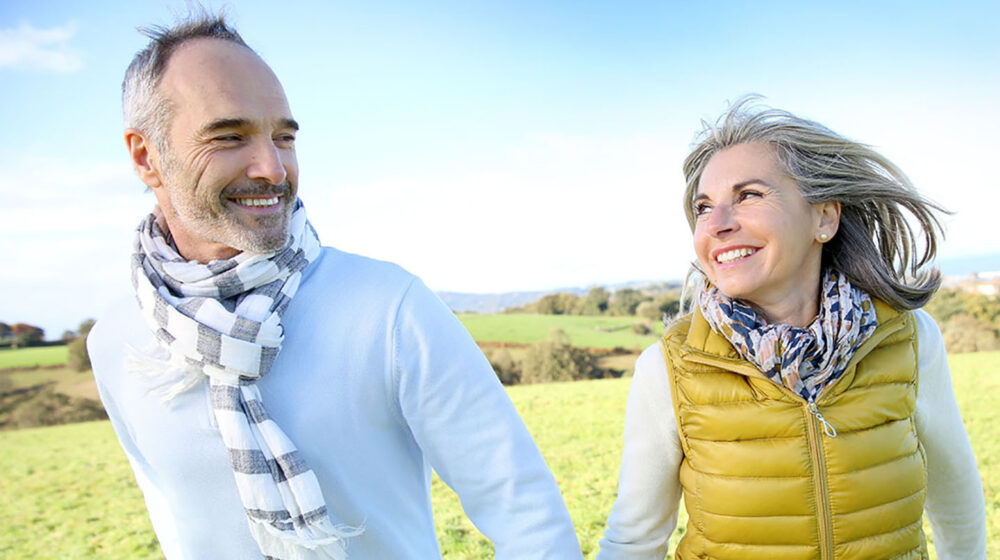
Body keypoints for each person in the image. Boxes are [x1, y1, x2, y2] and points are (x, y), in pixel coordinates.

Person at [88, 13, 582, 560]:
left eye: (283, 137)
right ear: (145, 157)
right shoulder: (115, 342)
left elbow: (527, 515)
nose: (273, 169)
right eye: (229, 136)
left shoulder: (389, 308)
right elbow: (175, 523)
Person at [597, 97, 986, 559]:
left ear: (824, 216)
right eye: (704, 207)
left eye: (749, 195)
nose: (717, 225)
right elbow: (634, 541)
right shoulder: (668, 368)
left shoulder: (909, 337)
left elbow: (957, 504)